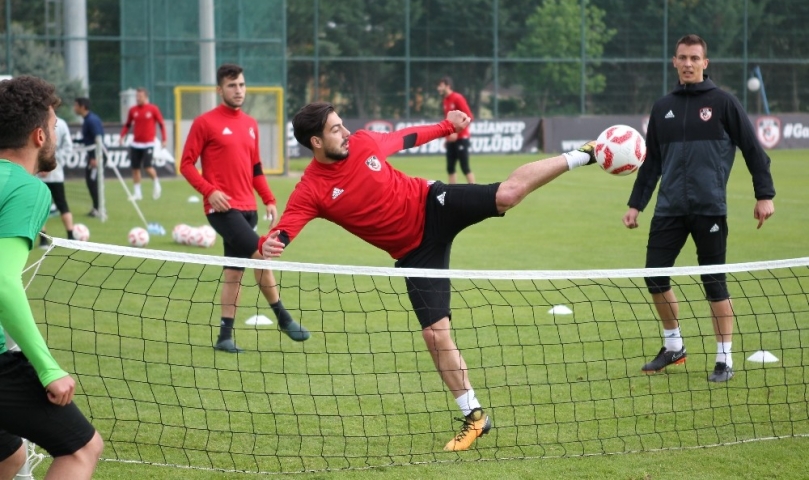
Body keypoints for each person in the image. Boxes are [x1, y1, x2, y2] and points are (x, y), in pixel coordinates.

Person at [259, 101, 597, 451]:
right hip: (416, 255)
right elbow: (284, 230)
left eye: (342, 125)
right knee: (435, 336)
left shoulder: (363, 142)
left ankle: (582, 154)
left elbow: (407, 137)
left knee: (507, 194)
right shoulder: (311, 189)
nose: (345, 133)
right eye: (335, 130)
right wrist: (274, 243)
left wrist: (447, 126)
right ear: (315, 142)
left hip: (433, 203)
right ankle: (475, 417)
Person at [623, 34, 776, 383]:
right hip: (669, 209)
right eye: (682, 58)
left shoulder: (723, 103)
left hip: (709, 209)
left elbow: (754, 149)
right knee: (655, 277)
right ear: (674, 62)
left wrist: (764, 194)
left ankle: (724, 359)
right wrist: (636, 204)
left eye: (695, 58)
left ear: (705, 63)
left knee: (714, 284)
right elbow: (652, 163)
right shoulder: (662, 107)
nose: (688, 63)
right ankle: (673, 345)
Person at [0, 75, 104, 480]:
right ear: (39, 135)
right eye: (56, 128)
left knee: (9, 458)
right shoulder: (27, 188)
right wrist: (47, 368)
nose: (58, 137)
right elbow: (4, 280)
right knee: (82, 449)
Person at [180, 63, 310, 353]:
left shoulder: (251, 124)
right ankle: (283, 317)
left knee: (233, 273)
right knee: (262, 256)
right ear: (219, 89)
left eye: (241, 84)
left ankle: (224, 337)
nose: (238, 90)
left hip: (248, 209)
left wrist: (269, 198)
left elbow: (255, 168)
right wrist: (209, 191)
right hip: (223, 211)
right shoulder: (205, 123)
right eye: (231, 86)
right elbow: (186, 164)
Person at [119, 87, 166, 201]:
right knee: (135, 169)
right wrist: (122, 136)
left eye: (140, 96)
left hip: (148, 143)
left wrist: (164, 139)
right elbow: (128, 124)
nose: (137, 98)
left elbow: (161, 124)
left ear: (145, 97)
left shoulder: (153, 109)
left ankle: (156, 182)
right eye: (136, 96)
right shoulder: (133, 110)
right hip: (136, 144)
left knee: (147, 167)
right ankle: (137, 194)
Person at [38, 115, 75, 247]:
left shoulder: (59, 123)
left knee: (59, 204)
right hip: (45, 173)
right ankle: (45, 239)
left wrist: (48, 164)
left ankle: (70, 236)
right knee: (43, 206)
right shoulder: (38, 120)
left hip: (47, 172)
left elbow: (67, 146)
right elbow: (68, 147)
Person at [437, 76, 475, 184]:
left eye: (440, 86)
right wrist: (447, 137)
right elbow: (448, 122)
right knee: (450, 168)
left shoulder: (457, 98)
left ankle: (475, 192)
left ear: (448, 86)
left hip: (461, 138)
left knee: (465, 167)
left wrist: (457, 134)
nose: (438, 88)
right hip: (451, 139)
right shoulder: (445, 101)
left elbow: (469, 117)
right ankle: (451, 195)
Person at [73, 97, 104, 218]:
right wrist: (75, 141)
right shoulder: (87, 120)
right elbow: (88, 139)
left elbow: (98, 139)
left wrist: (95, 157)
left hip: (97, 156)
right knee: (91, 181)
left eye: (76, 105)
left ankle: (99, 209)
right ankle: (97, 208)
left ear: (82, 107)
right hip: (94, 156)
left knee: (93, 182)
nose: (74, 108)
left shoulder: (91, 120)